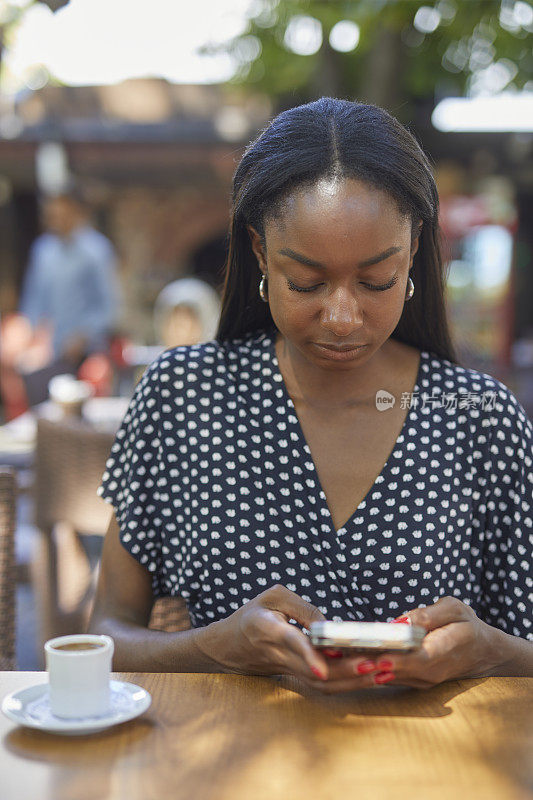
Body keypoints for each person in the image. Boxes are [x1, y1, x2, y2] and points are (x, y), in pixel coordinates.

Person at [90, 98, 532, 691]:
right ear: (258, 252)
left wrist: (487, 652)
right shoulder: (181, 397)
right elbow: (103, 637)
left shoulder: (477, 416)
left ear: (414, 253)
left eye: (377, 281)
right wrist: (212, 647)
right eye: (307, 282)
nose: (343, 317)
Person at [19, 189, 119, 369]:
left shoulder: (96, 250)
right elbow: (33, 299)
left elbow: (109, 305)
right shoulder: (43, 251)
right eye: (51, 215)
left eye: (61, 213)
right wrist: (31, 334)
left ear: (76, 212)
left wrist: (84, 336)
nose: (56, 220)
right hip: (50, 353)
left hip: (88, 352)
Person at [153, 277, 221, 349]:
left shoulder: (216, 358)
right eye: (176, 325)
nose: (180, 333)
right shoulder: (154, 358)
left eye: (191, 325)